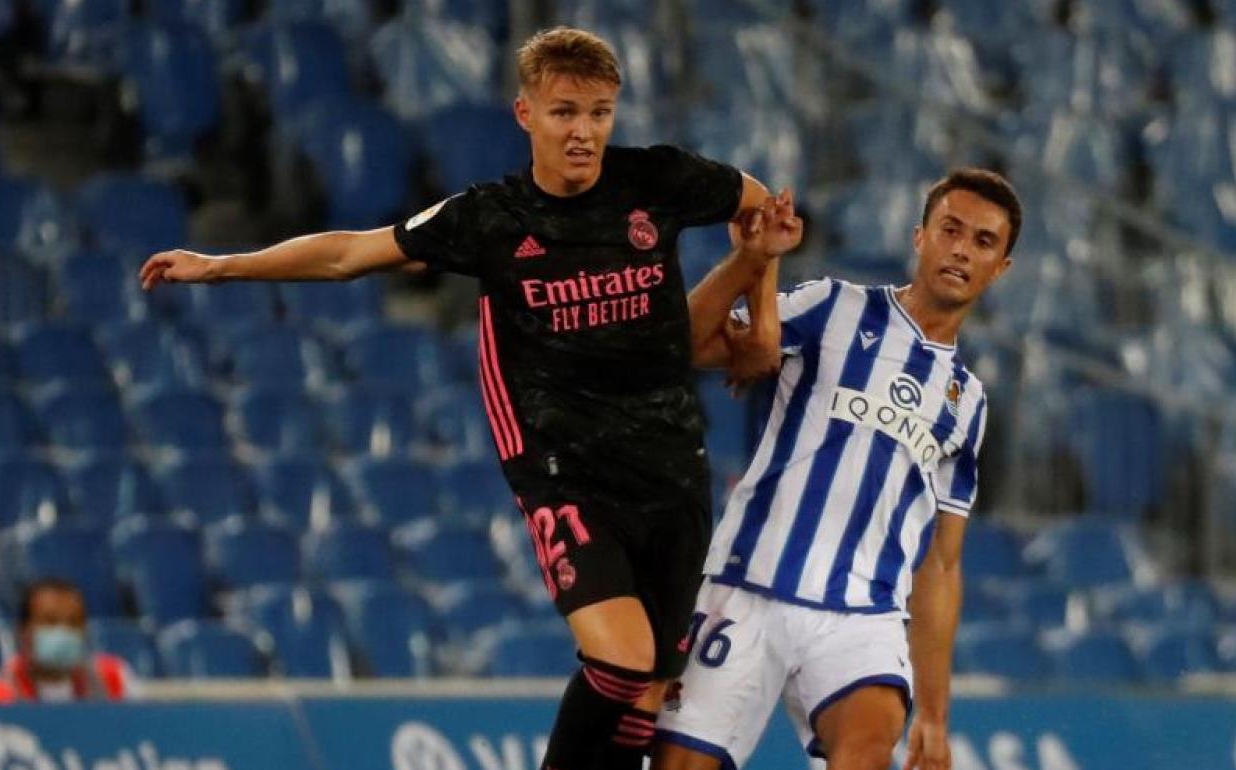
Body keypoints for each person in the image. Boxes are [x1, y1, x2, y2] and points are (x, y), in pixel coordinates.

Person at [139, 26, 801, 770]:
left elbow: (762, 212)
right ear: (525, 114)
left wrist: (762, 311)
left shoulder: (659, 179)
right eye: (564, 112)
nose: (583, 133)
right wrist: (221, 266)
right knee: (621, 663)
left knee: (648, 693)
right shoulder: (491, 218)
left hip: (674, 466)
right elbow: (350, 252)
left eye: (599, 113)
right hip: (567, 472)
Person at [653, 169, 1023, 770]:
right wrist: (750, 261)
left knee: (866, 754)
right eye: (950, 229)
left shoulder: (969, 403)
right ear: (919, 237)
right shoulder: (833, 307)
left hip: (862, 617)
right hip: (747, 588)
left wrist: (934, 714)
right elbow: (689, 344)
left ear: (1000, 267)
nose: (961, 249)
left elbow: (942, 563)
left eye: (983, 242)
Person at [0, 578, 137, 703]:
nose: (64, 631)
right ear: (22, 631)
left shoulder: (114, 679)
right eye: (50, 621)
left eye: (74, 622)